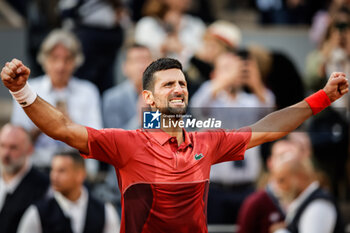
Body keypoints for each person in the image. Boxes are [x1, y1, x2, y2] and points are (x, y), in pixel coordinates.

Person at [1, 57, 348, 233]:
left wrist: (322, 97)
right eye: (168, 85)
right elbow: (63, 128)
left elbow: (268, 129)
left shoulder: (208, 142)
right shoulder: (126, 144)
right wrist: (21, 91)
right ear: (149, 98)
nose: (179, 88)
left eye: (181, 82)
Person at [190, 51, 274, 223]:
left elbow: (270, 110)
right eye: (227, 68)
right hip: (213, 188)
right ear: (214, 75)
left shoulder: (252, 101)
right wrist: (226, 78)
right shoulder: (209, 99)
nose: (235, 72)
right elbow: (196, 107)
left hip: (247, 187)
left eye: (238, 68)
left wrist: (255, 81)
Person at [11, 29, 102, 174]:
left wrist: (69, 125)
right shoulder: (28, 89)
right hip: (37, 168)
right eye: (54, 58)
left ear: (76, 61)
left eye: (67, 59)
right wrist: (46, 121)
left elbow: (97, 140)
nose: (60, 66)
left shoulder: (88, 91)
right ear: (44, 60)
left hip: (75, 168)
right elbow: (16, 140)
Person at [17, 150, 120, 233]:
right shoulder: (37, 212)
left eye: (61, 171)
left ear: (80, 174)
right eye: (52, 170)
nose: (54, 176)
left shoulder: (105, 211)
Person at [269, 147, 345, 233]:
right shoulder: (306, 202)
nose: (278, 188)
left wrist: (280, 231)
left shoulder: (318, 205)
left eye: (282, 180)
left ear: (300, 177)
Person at [236, 139, 304, 233]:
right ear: (270, 162)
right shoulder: (255, 203)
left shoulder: (309, 197)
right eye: (282, 156)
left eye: (293, 157)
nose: (288, 163)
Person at [0, 123, 49, 233]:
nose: (6, 153)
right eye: (2, 145)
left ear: (29, 149)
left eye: (13, 147)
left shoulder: (43, 186)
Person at [102, 43, 153, 129]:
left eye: (146, 60)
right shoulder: (112, 98)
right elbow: (113, 137)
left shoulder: (164, 94)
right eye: (136, 61)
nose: (142, 66)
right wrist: (140, 118)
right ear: (125, 67)